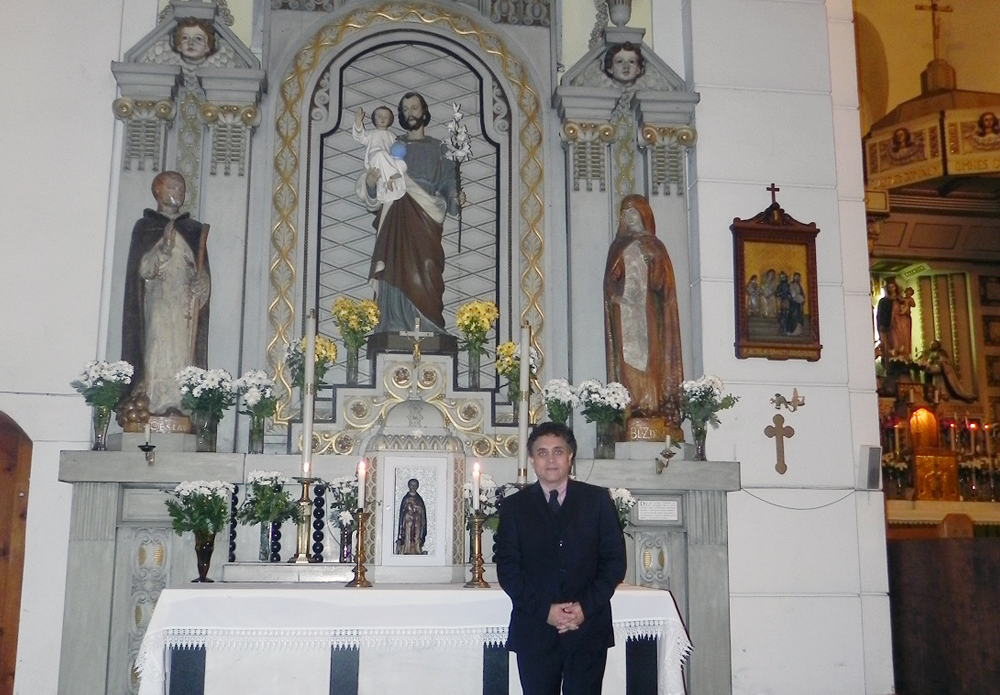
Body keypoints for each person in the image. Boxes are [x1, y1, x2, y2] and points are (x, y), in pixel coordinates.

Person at [496, 422, 626, 695]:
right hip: (535, 629)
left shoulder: (597, 500)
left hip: (588, 628)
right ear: (532, 460)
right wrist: (545, 610)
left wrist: (584, 608)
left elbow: (614, 562)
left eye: (558, 451)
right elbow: (508, 569)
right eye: (542, 453)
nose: (551, 459)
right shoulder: (514, 507)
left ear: (570, 456)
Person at [355, 92, 462, 335]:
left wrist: (455, 196)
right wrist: (371, 183)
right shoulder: (391, 145)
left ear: (424, 111)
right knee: (393, 267)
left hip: (427, 219)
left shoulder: (439, 149)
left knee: (427, 268)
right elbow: (375, 184)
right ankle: (393, 324)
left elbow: (448, 182)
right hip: (396, 215)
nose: (410, 113)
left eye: (414, 108)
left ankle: (429, 326)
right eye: (405, 109)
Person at [120, 172, 210, 420]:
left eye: (181, 188)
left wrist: (202, 283)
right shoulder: (145, 227)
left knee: (181, 352)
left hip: (184, 302)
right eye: (173, 187)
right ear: (157, 191)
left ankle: (178, 403)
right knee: (158, 344)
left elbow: (200, 270)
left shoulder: (193, 230)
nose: (179, 192)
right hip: (157, 298)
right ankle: (153, 401)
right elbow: (142, 271)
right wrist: (163, 251)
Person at [603, 194, 684, 424]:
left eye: (633, 212)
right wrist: (616, 297)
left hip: (649, 312)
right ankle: (631, 407)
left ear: (643, 214)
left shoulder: (656, 246)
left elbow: (662, 286)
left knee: (652, 358)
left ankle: (652, 408)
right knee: (627, 359)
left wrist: (654, 261)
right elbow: (611, 278)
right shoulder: (619, 246)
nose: (629, 217)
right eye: (624, 214)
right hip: (625, 313)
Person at [353, 106, 407, 204]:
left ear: (390, 120)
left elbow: (396, 151)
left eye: (386, 117)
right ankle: (392, 176)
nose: (382, 119)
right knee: (380, 154)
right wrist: (358, 122)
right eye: (379, 116)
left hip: (386, 164)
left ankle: (386, 186)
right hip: (373, 162)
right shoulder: (371, 134)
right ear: (374, 119)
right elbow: (359, 136)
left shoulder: (391, 136)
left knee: (387, 159)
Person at [395, 478, 427, 554]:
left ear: (417, 486)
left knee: (416, 536)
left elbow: (422, 513)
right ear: (409, 486)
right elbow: (402, 512)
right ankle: (407, 549)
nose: (413, 487)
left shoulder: (419, 499)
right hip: (408, 520)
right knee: (408, 535)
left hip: (417, 521)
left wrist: (418, 509)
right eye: (412, 485)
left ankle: (417, 549)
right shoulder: (406, 498)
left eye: (415, 485)